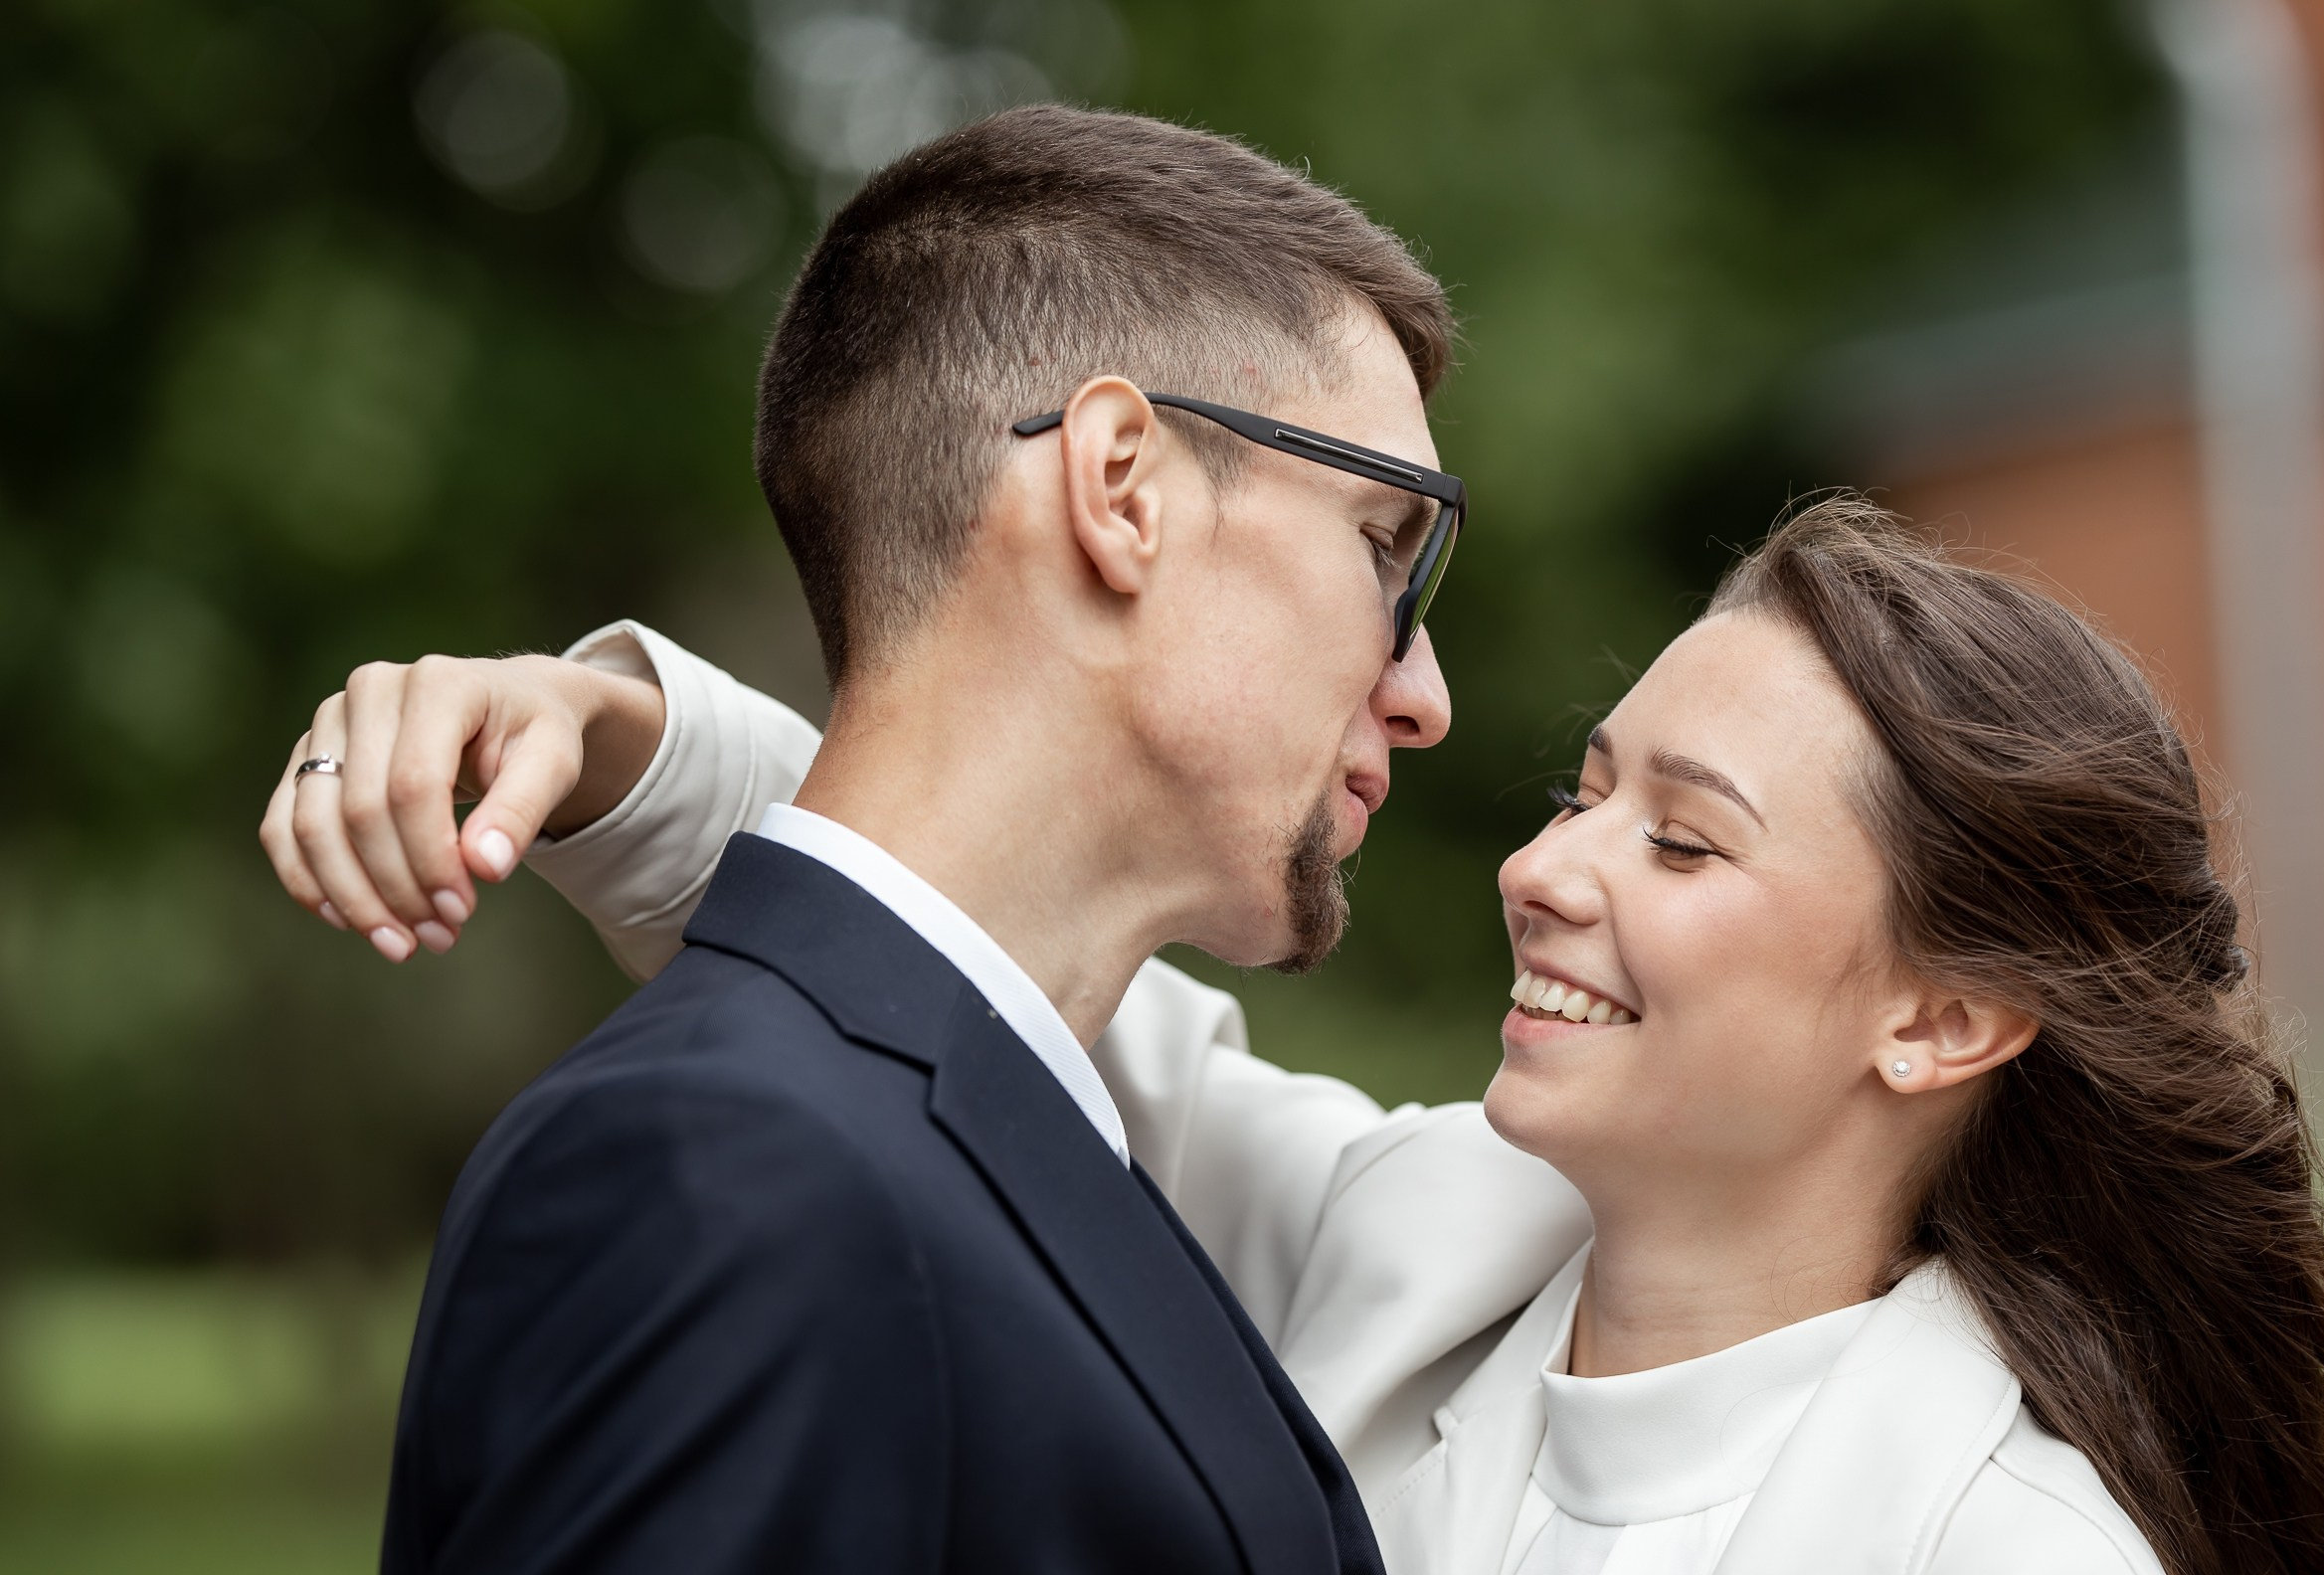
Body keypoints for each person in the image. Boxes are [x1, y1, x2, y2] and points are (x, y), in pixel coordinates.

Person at [271, 502, 2324, 1574]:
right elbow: (972, 974)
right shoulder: (1427, 1239)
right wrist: (604, 736)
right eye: (1583, 790)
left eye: (1682, 840)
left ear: (1944, 1016)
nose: (1546, 871)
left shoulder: (2004, 1549)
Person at [266, 101, 1584, 1574]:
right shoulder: (723, 1173)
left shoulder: (998, 1148)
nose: (1424, 697)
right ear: (1121, 489)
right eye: (1386, 545)